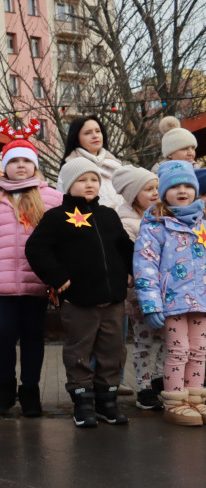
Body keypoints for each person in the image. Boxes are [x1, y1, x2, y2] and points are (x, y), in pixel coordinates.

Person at [26, 158, 133, 428]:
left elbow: (124, 247)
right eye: (82, 180)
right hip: (79, 301)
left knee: (113, 352)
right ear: (67, 184)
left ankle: (107, 403)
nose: (89, 184)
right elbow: (36, 249)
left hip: (113, 300)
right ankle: (83, 404)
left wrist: (130, 272)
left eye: (94, 179)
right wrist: (58, 277)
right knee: (79, 353)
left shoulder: (109, 215)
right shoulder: (56, 217)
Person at [0, 140, 62, 417]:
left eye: (26, 161)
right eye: (14, 161)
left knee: (34, 338)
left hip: (37, 283)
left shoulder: (53, 198)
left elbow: (62, 243)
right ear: (5, 167)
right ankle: (5, 388)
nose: (21, 166)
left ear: (34, 165)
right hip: (0, 285)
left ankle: (30, 390)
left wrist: (58, 277)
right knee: (2, 337)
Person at [133, 160, 206, 426]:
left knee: (199, 350)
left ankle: (195, 398)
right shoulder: (155, 226)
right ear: (164, 192)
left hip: (202, 301)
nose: (183, 190)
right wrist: (151, 305)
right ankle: (175, 400)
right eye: (175, 186)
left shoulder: (202, 224)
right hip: (172, 302)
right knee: (178, 351)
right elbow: (145, 265)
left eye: (188, 185)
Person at [112, 165, 164, 410]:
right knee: (143, 343)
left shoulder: (165, 216)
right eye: (148, 189)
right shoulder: (126, 223)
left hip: (167, 292)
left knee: (169, 339)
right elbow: (133, 258)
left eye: (156, 187)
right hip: (141, 295)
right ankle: (144, 388)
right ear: (133, 194)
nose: (155, 192)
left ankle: (159, 378)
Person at [58, 115, 123, 209]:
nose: (95, 136)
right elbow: (62, 201)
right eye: (87, 133)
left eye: (98, 131)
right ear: (76, 138)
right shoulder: (69, 168)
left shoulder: (116, 166)